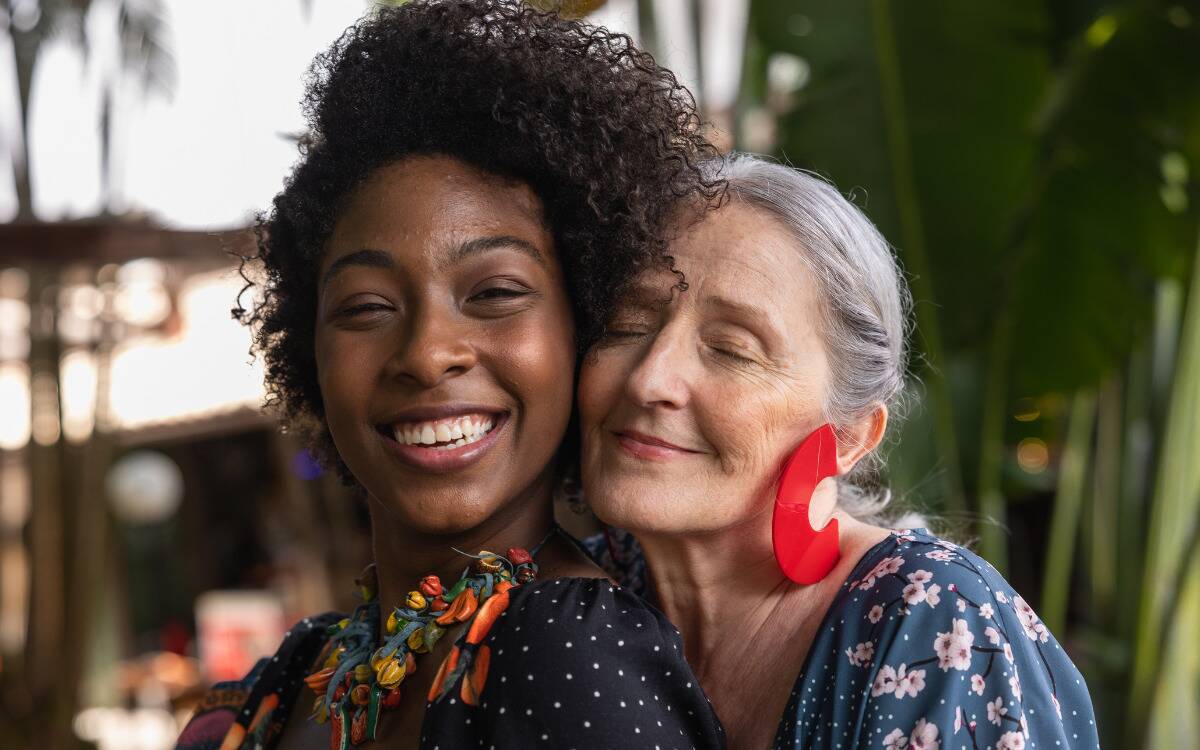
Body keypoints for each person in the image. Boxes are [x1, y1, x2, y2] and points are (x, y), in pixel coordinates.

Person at [175, 2, 727, 749]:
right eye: (366, 306)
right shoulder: (306, 668)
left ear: (584, 328)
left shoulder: (568, 657)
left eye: (495, 293)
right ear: (310, 351)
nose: (428, 352)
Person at [579, 153, 1099, 749]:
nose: (649, 380)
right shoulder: (576, 594)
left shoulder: (930, 618)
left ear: (849, 435)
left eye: (731, 349)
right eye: (625, 325)